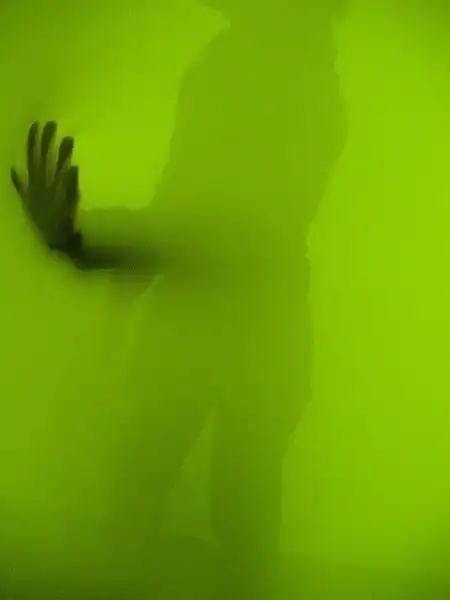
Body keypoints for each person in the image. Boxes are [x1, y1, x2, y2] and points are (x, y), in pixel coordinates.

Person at [11, 2, 348, 598]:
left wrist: (86, 247)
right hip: (244, 325)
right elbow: (194, 213)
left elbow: (215, 230)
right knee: (189, 503)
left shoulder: (281, 86)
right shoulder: (238, 68)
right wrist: (89, 250)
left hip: (249, 328)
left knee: (212, 508)